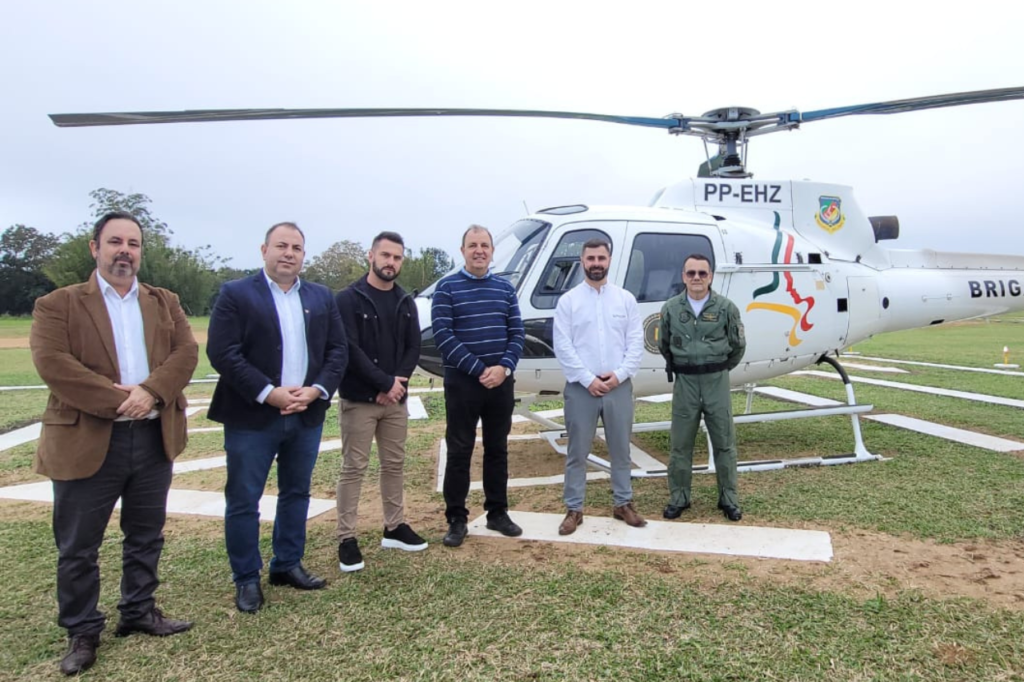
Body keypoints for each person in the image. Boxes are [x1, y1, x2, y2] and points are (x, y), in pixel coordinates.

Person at [30, 211, 198, 676]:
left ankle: (139, 610)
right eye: (115, 242)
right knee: (79, 545)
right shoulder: (58, 304)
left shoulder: (164, 302)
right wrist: (119, 400)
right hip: (87, 439)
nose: (125, 250)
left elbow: (186, 353)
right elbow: (54, 364)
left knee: (146, 534)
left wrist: (150, 393)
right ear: (95, 247)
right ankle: (83, 630)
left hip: (151, 435)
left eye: (133, 243)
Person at [207, 222, 348, 613]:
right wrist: (270, 393)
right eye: (282, 246)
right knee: (243, 499)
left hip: (305, 414)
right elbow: (223, 352)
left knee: (296, 493)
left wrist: (316, 389)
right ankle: (246, 578)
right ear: (264, 250)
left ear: (304, 255)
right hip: (252, 416)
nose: (289, 253)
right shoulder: (236, 294)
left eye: (297, 247)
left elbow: (338, 351)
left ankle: (286, 564)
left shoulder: (321, 297)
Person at [334, 231, 425, 572]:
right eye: (385, 255)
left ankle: (394, 526)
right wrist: (384, 383)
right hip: (360, 399)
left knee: (394, 465)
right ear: (370, 256)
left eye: (397, 257)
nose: (391, 262)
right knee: (353, 468)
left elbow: (413, 347)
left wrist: (398, 384)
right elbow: (349, 349)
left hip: (395, 401)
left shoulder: (404, 301)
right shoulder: (348, 299)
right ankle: (347, 538)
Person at [431, 224, 525, 547]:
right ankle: (456, 518)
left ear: (492, 251)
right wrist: (479, 369)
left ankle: (497, 512)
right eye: (473, 245)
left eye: (485, 245)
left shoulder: (505, 289)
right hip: (463, 384)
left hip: (500, 383)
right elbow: (443, 336)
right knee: (459, 450)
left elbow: (517, 334)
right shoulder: (446, 289)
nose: (479, 250)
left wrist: (503, 368)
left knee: (497, 449)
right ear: (463, 251)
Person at [553, 238, 646, 534]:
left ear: (609, 261)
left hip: (618, 386)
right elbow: (563, 346)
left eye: (601, 258)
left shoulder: (625, 300)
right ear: (582, 261)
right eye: (590, 258)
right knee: (577, 452)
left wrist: (618, 375)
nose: (596, 263)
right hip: (582, 388)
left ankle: (623, 503)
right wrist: (587, 379)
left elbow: (635, 343)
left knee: (621, 450)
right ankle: (574, 509)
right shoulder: (568, 302)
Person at [658, 253, 746, 522]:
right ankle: (679, 497)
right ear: (683, 276)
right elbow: (664, 345)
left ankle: (728, 498)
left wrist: (716, 369)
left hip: (715, 381)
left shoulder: (726, 308)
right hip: (685, 382)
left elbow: (737, 347)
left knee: (724, 442)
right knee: (680, 444)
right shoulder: (671, 308)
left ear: (711, 276)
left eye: (702, 273)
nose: (696, 278)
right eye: (691, 273)